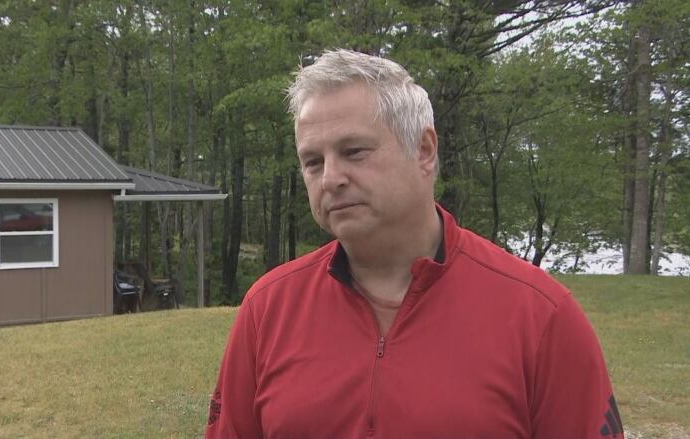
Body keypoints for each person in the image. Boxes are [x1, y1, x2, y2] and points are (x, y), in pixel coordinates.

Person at [205, 49, 623, 439]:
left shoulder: (540, 316)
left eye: (354, 151)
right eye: (313, 161)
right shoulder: (267, 310)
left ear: (424, 150)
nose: (330, 178)